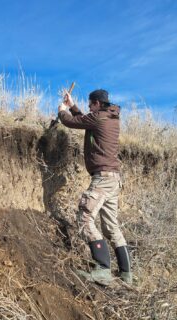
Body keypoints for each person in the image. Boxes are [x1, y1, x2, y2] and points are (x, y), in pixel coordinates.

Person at [58, 89, 132, 285]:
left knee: (84, 219)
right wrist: (72, 105)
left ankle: (103, 269)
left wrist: (62, 110)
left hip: (103, 179)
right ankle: (126, 274)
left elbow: (72, 122)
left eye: (90, 104)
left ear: (97, 103)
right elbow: (84, 119)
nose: (89, 107)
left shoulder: (99, 117)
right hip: (113, 179)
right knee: (111, 227)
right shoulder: (109, 116)